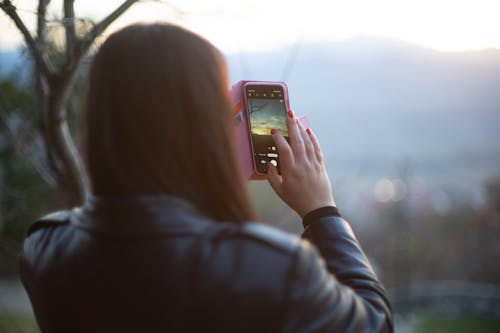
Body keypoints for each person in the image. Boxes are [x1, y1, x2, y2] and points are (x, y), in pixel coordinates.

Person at [19, 23, 393, 333]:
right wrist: (322, 211)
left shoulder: (45, 248)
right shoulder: (273, 269)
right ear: (206, 127)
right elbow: (373, 324)